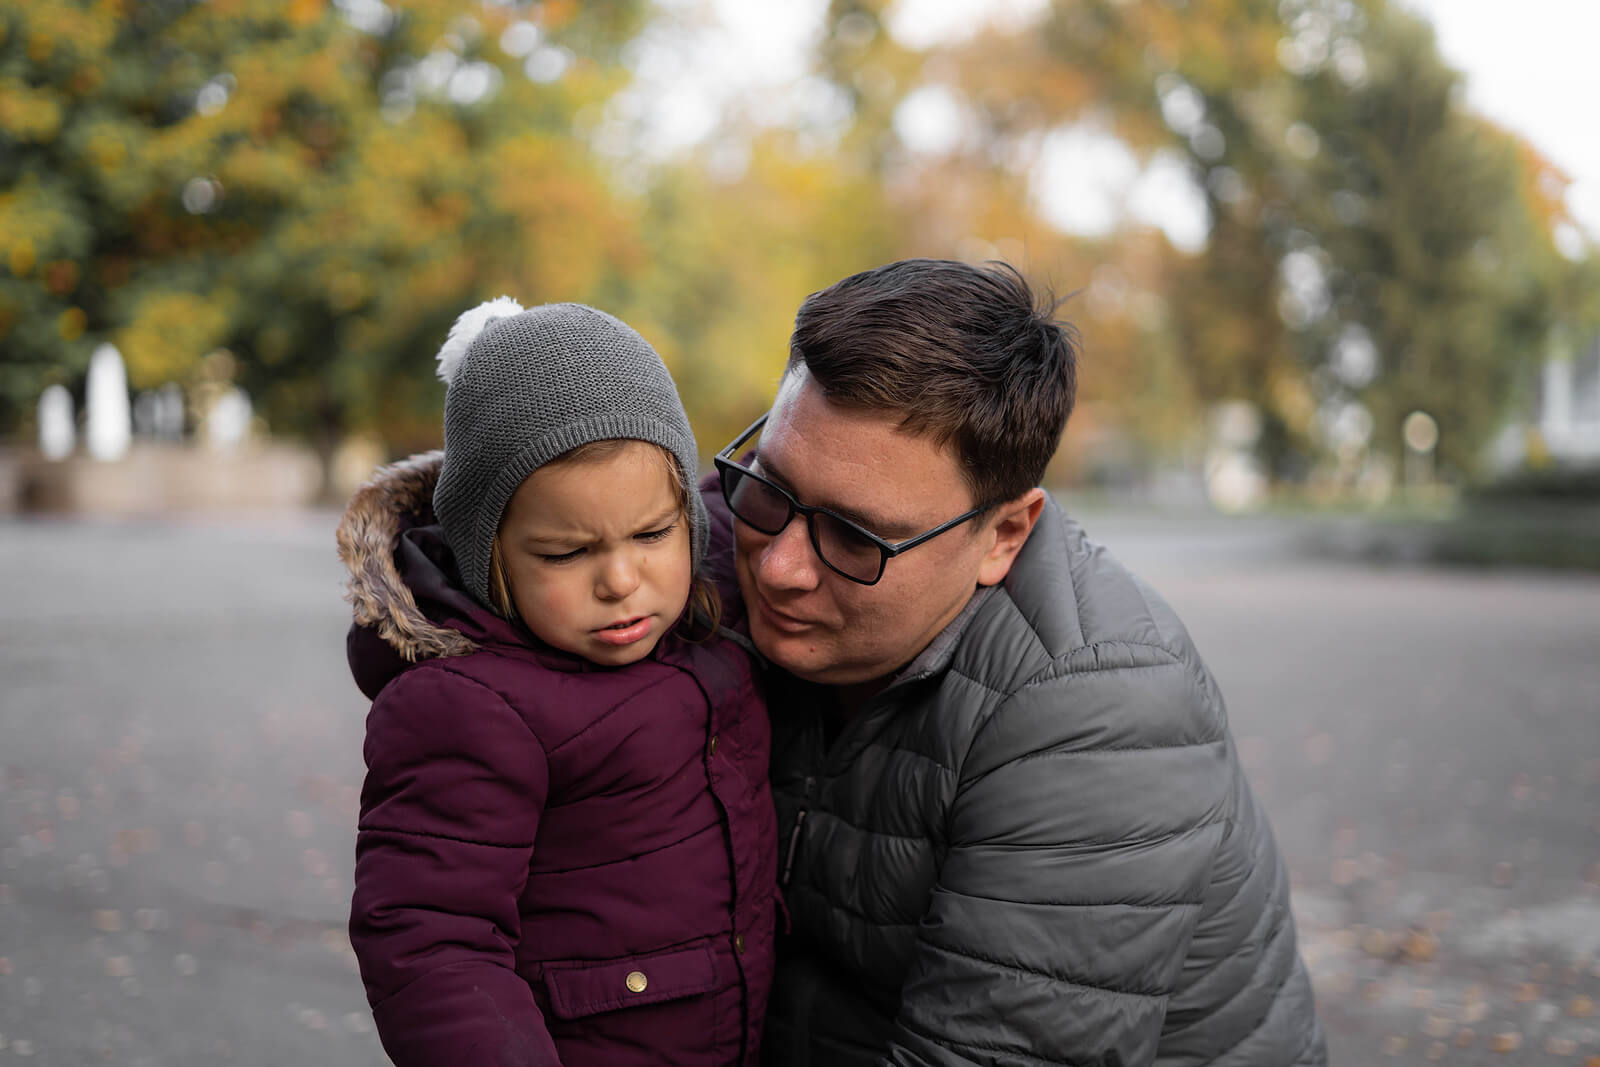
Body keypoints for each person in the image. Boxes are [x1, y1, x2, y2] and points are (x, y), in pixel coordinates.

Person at [705, 259, 1327, 1067]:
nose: (780, 565)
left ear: (1003, 536)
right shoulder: (706, 555)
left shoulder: (1101, 716)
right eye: (770, 485)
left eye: (855, 538)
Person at [336, 299, 778, 1067]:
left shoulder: (701, 607)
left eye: (651, 534)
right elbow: (433, 941)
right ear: (489, 552)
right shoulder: (465, 706)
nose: (621, 579)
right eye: (566, 553)